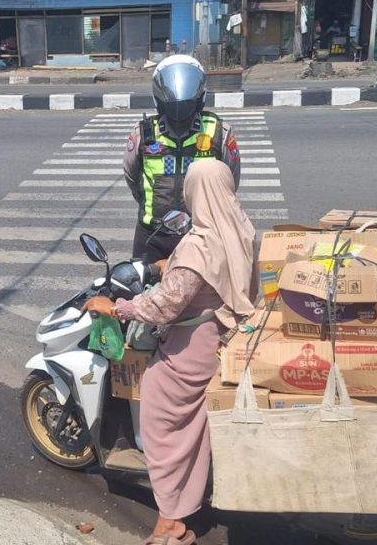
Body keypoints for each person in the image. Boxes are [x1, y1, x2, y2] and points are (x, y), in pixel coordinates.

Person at [84, 160, 256, 545]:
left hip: (189, 349)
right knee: (192, 429)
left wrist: (115, 307)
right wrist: (169, 267)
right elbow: (211, 279)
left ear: (195, 192)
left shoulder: (199, 243)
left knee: (162, 427)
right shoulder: (240, 225)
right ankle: (186, 505)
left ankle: (172, 521)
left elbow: (164, 307)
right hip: (223, 335)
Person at [124, 55, 241, 264]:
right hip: (152, 234)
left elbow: (230, 180)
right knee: (140, 292)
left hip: (200, 233)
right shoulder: (144, 133)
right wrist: (149, 204)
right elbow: (132, 176)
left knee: (201, 295)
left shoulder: (217, 131)